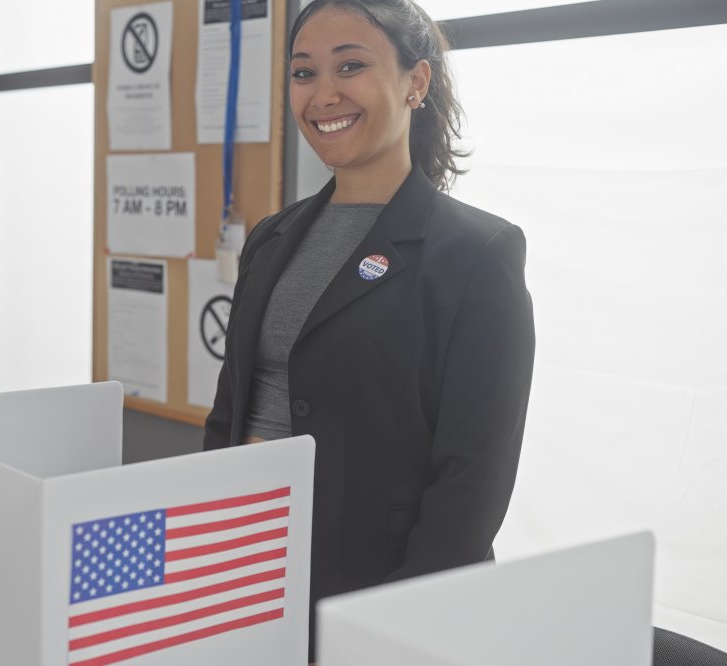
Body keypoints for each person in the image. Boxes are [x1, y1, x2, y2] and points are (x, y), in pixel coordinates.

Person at [202, 0, 536, 657]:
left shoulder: (475, 253)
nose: (323, 94)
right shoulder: (272, 238)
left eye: (349, 66)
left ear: (416, 82)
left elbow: (472, 480)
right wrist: (209, 552)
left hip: (378, 597)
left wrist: (395, 625)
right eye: (303, 74)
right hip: (248, 579)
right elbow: (229, 414)